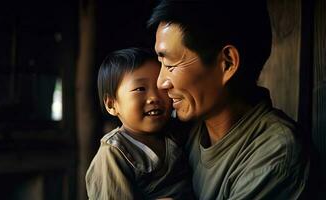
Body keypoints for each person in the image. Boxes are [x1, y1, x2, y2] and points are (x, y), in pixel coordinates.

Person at [147, 0, 309, 199]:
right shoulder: (187, 130)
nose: (161, 82)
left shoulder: (276, 155)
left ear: (227, 63)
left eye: (170, 65)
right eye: (160, 63)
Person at [85, 48, 194, 199]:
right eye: (140, 89)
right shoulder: (113, 154)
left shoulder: (177, 131)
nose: (154, 97)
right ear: (111, 104)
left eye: (160, 87)